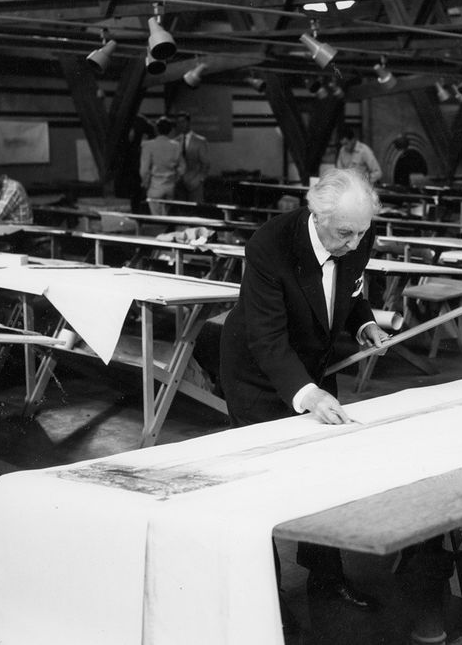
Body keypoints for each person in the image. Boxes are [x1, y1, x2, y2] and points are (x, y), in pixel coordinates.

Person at [219, 168, 390, 628]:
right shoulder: (269, 245)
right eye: (346, 234)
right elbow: (267, 338)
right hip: (256, 371)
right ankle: (267, 600)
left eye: (362, 233)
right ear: (318, 215)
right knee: (260, 484)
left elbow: (350, 287)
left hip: (311, 363)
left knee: (324, 472)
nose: (355, 243)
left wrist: (363, 323)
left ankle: (327, 578)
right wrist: (308, 394)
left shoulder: (354, 234)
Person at [139, 116, 186, 215]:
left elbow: (144, 169)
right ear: (170, 130)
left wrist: (145, 183)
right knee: (166, 216)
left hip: (155, 186)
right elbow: (182, 167)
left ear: (156, 129)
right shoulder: (176, 145)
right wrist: (175, 178)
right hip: (170, 186)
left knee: (157, 217)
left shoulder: (148, 145)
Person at [173, 111, 212, 203]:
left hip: (195, 183)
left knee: (195, 209)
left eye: (183, 121)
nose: (181, 125)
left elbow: (206, 164)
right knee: (180, 209)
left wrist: (198, 180)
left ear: (188, 122)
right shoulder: (175, 141)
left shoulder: (200, 141)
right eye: (178, 122)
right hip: (179, 184)